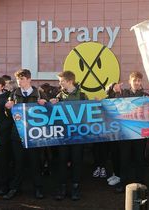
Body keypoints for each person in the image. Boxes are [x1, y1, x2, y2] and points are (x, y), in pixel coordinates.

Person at [4, 69, 47, 200]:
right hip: (18, 134)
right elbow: (9, 116)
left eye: (22, 79)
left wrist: (45, 105)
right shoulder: (13, 93)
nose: (19, 81)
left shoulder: (39, 93)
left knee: (35, 163)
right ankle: (15, 188)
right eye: (18, 79)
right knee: (18, 163)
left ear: (29, 79)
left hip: (34, 135)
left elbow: (47, 114)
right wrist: (7, 108)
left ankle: (38, 189)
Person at [51, 71, 88, 201]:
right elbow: (53, 115)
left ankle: (75, 187)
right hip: (63, 135)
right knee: (62, 161)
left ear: (70, 81)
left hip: (78, 135)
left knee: (77, 161)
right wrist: (52, 104)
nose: (59, 83)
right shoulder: (59, 96)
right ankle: (62, 187)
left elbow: (88, 115)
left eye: (62, 81)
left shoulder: (83, 96)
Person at [111, 71, 149, 193]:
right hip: (126, 133)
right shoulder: (123, 94)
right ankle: (123, 183)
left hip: (139, 133)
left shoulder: (145, 96)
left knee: (139, 158)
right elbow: (114, 105)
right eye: (134, 80)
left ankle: (140, 183)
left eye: (139, 81)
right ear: (130, 81)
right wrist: (115, 91)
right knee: (124, 158)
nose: (137, 83)